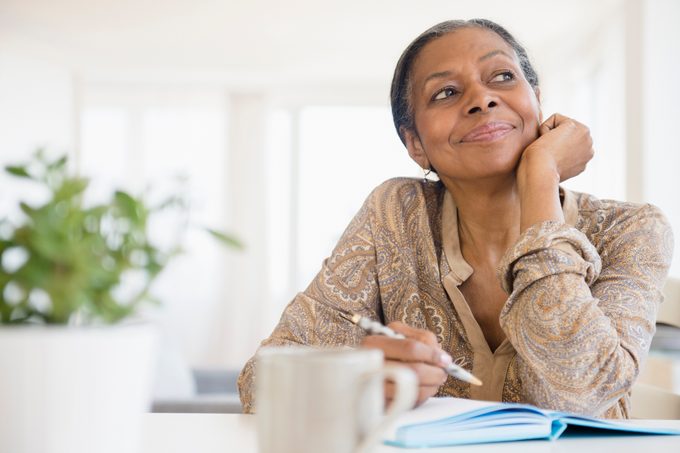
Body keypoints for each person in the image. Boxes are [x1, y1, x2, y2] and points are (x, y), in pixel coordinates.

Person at [237, 19, 673, 418]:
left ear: (537, 104)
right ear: (416, 146)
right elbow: (260, 383)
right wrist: (357, 379)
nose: (482, 99)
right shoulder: (393, 214)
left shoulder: (630, 229)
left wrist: (542, 175)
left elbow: (581, 393)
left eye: (502, 77)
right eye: (445, 92)